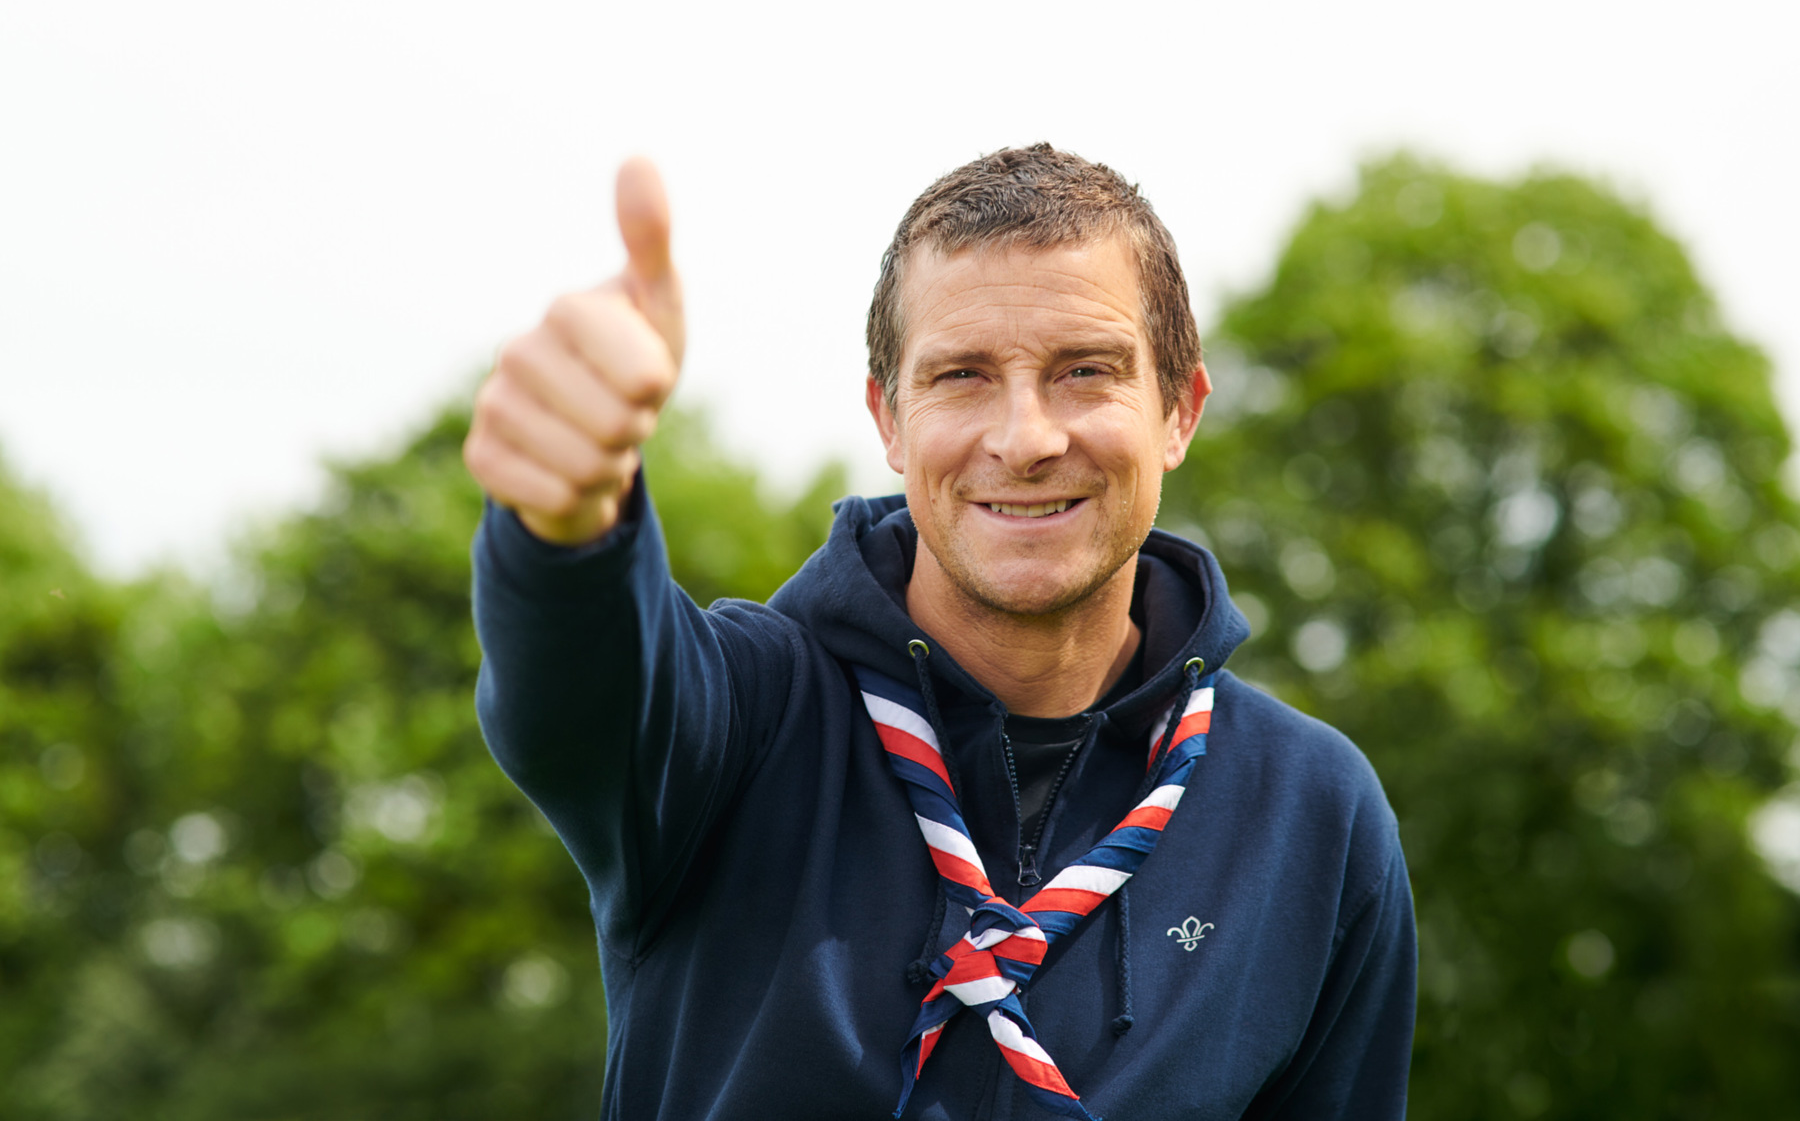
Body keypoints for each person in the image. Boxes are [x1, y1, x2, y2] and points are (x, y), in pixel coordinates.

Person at [463, 145, 1416, 1120]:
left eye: (1084, 370)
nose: (1025, 438)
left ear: (1179, 410)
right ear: (889, 419)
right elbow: (575, 687)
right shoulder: (741, 720)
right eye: (961, 376)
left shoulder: (1314, 815)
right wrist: (567, 519)